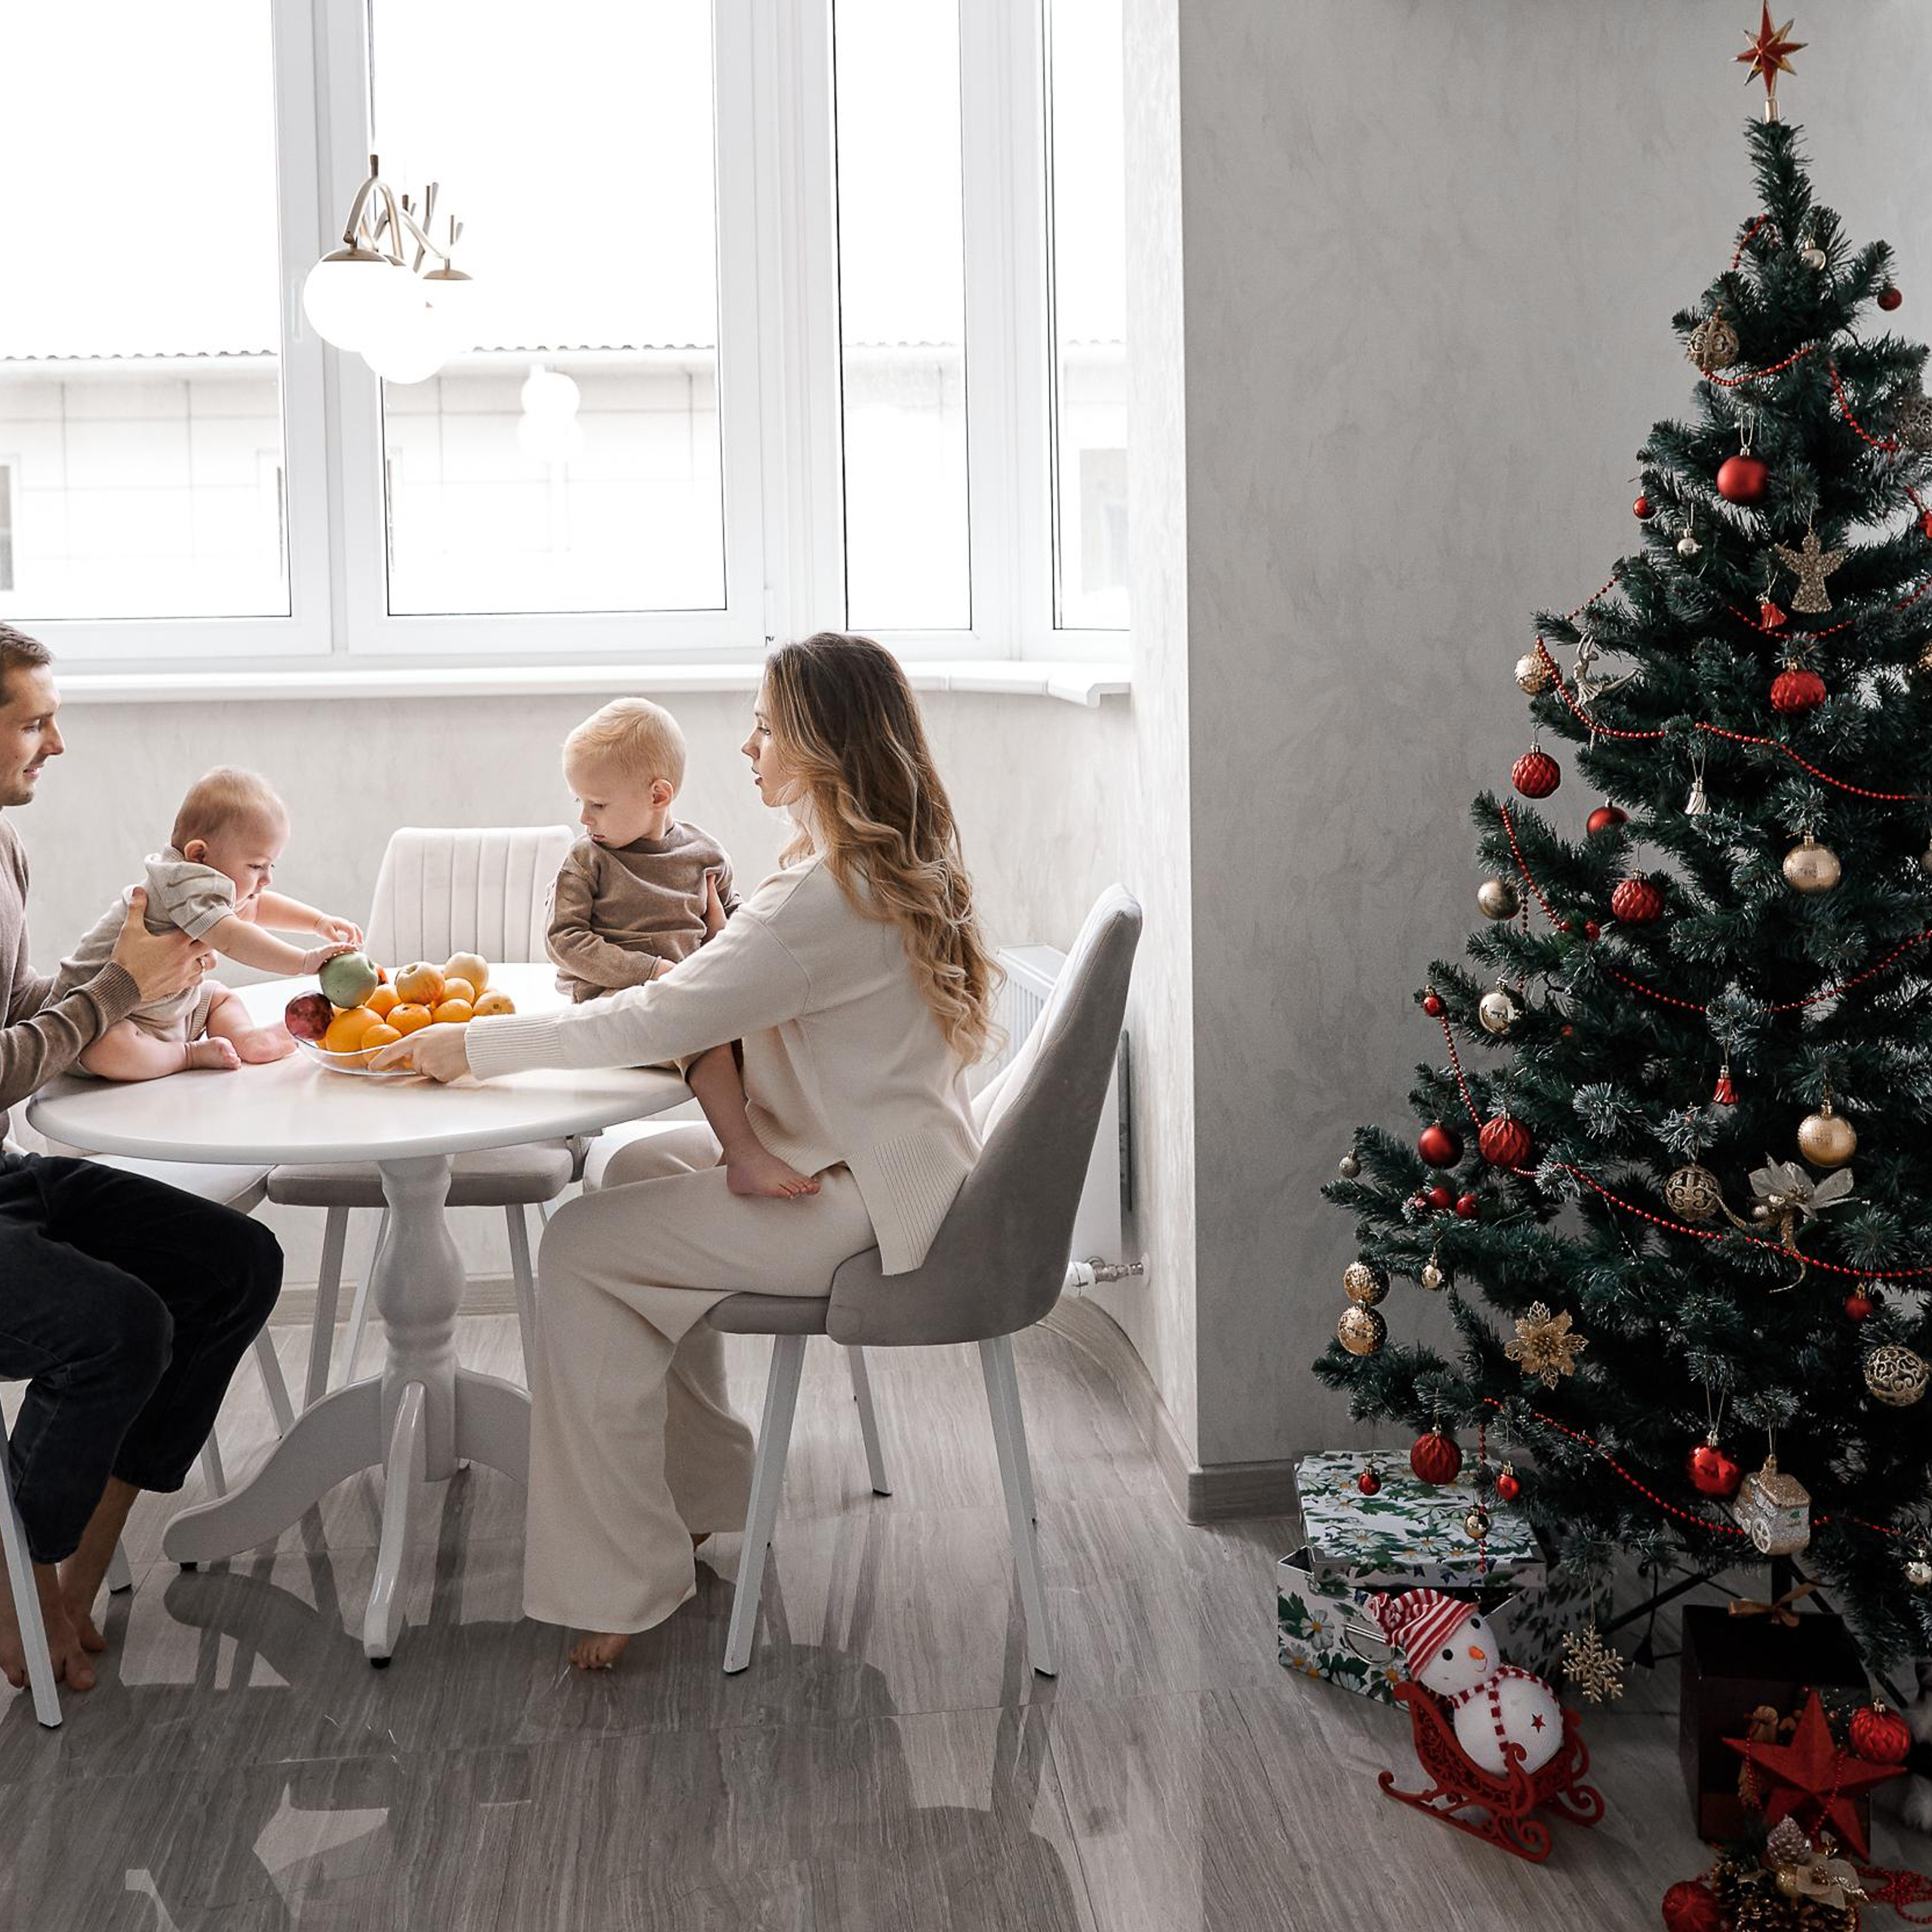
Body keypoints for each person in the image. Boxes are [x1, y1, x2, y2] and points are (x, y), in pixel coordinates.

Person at [376, 632, 998, 1669]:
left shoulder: (822, 896)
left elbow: (651, 1019)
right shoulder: (865, 866)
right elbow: (720, 1005)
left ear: (817, 745)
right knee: (631, 1169)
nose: (747, 746)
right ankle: (708, 1495)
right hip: (885, 1169)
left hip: (858, 1201)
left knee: (579, 1246)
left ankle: (624, 1576)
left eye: (763, 725)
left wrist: (471, 1046)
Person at [0, 624, 283, 1694]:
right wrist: (119, 988)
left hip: (5, 1178)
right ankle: (17, 1582)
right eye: (33, 720)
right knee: (120, 1327)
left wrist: (140, 985)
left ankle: (75, 1572)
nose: (56, 743)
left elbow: (25, 1008)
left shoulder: (3, 845)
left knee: (235, 1264)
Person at [546, 696, 817, 1199]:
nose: (584, 817)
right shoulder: (587, 861)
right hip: (613, 1003)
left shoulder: (704, 856)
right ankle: (743, 1154)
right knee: (698, 1030)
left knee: (763, 1035)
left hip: (688, 996)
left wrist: (718, 933)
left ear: (658, 795)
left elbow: (741, 931)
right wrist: (652, 972)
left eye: (597, 803)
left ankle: (758, 1144)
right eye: (579, 801)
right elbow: (564, 941)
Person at [54, 764, 362, 1080]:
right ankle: (185, 1055)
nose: (267, 878)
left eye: (271, 866)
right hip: (109, 1020)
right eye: (256, 866)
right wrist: (304, 961)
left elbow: (253, 909)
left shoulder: (200, 886)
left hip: (170, 1009)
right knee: (106, 1048)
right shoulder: (182, 883)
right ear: (199, 855)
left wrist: (317, 921)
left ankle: (245, 1036)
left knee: (217, 997)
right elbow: (234, 938)